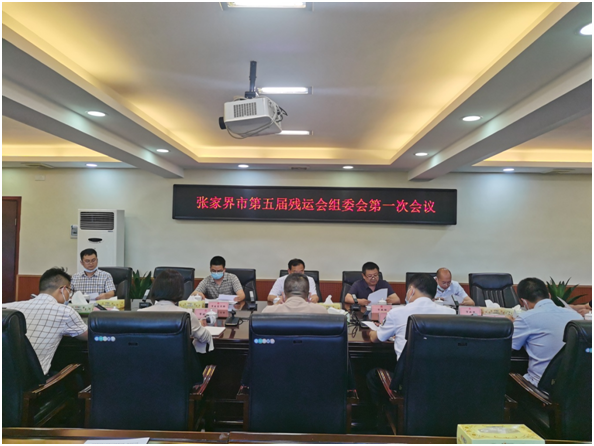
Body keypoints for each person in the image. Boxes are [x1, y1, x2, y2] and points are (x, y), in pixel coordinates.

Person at [365, 274, 455, 429]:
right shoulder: (451, 314)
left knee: (372, 375)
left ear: (411, 290)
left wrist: (372, 331)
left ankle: (384, 423)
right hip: (442, 378)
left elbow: (376, 338)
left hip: (409, 381)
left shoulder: (397, 313)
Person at [2, 267, 88, 376]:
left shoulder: (6, 307)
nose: (69, 296)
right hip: (31, 381)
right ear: (63, 289)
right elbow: (88, 336)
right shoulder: (65, 311)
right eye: (70, 291)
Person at [139, 269, 213, 383]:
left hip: (145, 375)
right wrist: (199, 325)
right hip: (181, 376)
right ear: (179, 291)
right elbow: (205, 338)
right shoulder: (186, 314)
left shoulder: (140, 314)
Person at [509, 277, 582, 386]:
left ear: (523, 301)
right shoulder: (576, 316)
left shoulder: (526, 318)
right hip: (574, 386)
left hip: (541, 387)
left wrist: (512, 325)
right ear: (549, 295)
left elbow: (507, 348)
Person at [262, 273, 328, 314]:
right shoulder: (321, 311)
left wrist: (275, 306)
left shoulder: (268, 311)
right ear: (309, 295)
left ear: (283, 295)